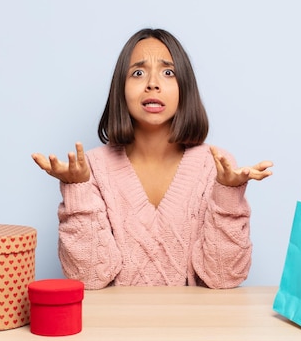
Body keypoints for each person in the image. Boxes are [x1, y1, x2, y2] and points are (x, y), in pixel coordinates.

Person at [32, 28, 273, 289]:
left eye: (168, 72)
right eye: (138, 72)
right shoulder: (92, 168)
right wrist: (77, 192)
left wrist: (227, 194)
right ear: (120, 88)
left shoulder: (214, 164)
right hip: (115, 328)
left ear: (185, 88)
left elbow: (224, 277)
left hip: (195, 328)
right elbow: (88, 278)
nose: (152, 83)